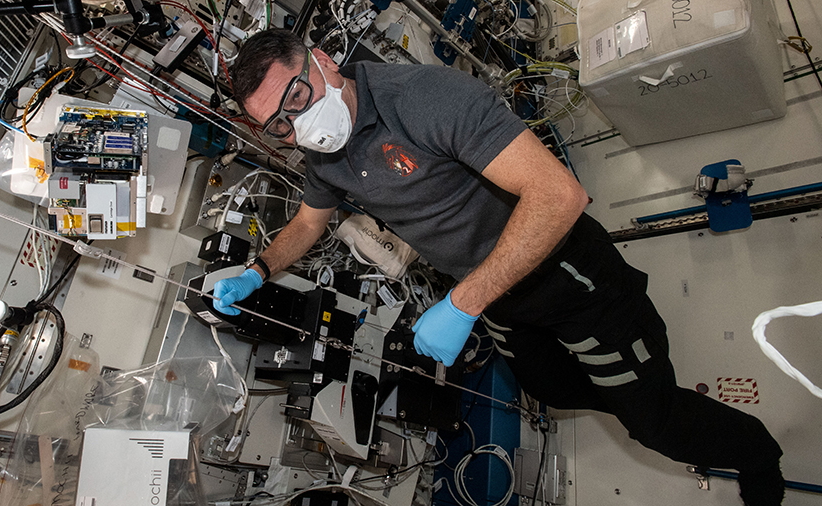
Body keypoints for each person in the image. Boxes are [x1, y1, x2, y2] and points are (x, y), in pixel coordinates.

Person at [213, 29, 784, 505]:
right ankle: (627, 386)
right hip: (498, 298)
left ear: (324, 62)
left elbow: (558, 196)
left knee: (653, 422)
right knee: (549, 386)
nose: (299, 122)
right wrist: (258, 271)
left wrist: (461, 303)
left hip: (567, 277)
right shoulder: (324, 153)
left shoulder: (424, 99)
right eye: (280, 126)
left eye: (296, 95)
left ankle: (756, 454)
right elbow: (310, 222)